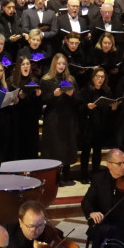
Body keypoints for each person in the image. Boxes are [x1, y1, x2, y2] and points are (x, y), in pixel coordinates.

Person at [40, 54, 80, 183]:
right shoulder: (46, 80)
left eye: (63, 64)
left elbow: (79, 100)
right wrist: (54, 94)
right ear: (54, 65)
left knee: (67, 147)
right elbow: (42, 100)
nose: (61, 66)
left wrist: (72, 95)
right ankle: (54, 178)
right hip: (53, 118)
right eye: (59, 63)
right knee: (54, 148)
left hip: (68, 117)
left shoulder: (71, 79)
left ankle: (66, 177)